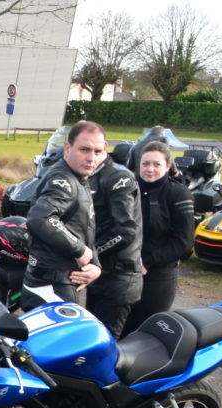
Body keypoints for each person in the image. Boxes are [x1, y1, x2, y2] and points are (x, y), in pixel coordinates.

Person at [22, 120, 105, 309]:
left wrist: (95, 264)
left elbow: (81, 229)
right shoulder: (63, 179)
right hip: (50, 285)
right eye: (84, 149)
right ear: (68, 149)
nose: (91, 158)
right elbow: (41, 218)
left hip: (59, 282)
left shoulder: (79, 179)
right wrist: (79, 250)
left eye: (97, 151)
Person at [122, 142, 195, 335]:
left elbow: (184, 242)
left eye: (157, 164)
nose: (150, 169)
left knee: (146, 333)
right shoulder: (126, 189)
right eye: (145, 164)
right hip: (122, 273)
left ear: (168, 166)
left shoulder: (178, 193)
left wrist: (147, 261)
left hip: (157, 277)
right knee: (117, 331)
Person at [86, 155, 143, 337]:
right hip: (103, 273)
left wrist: (90, 254)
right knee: (90, 336)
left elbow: (125, 232)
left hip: (120, 276)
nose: (89, 156)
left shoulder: (119, 177)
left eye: (95, 150)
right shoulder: (94, 175)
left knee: (104, 341)